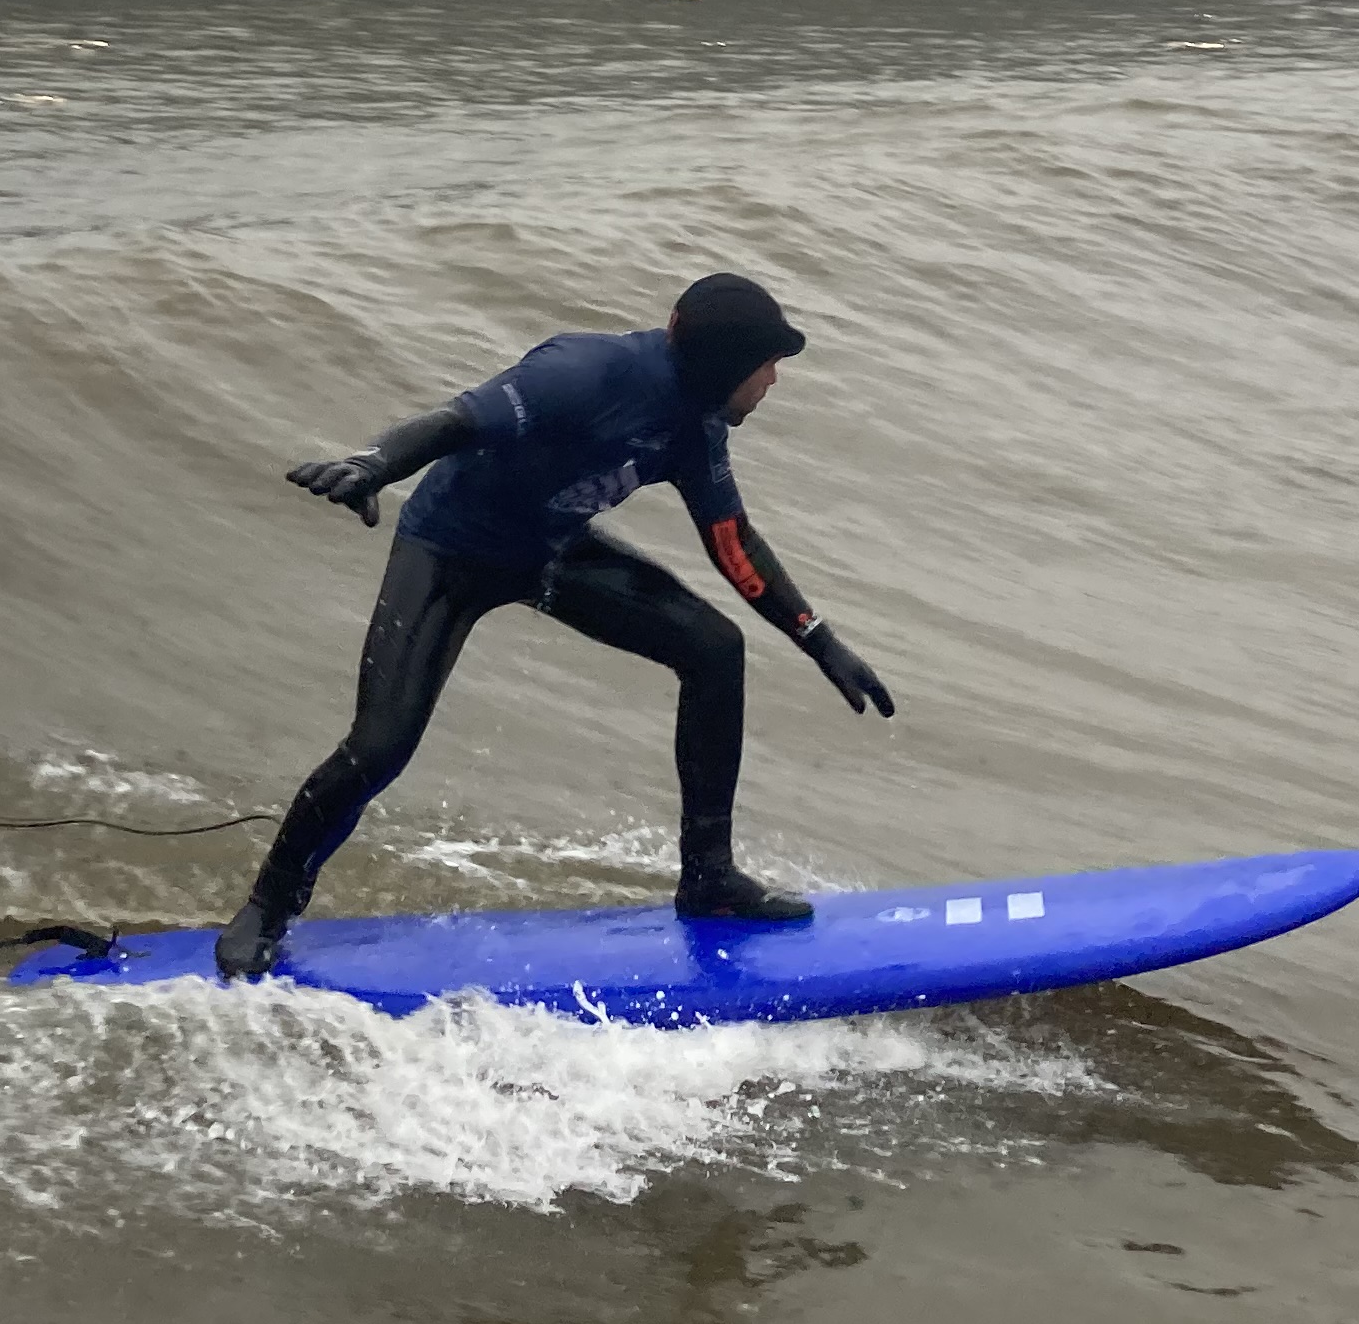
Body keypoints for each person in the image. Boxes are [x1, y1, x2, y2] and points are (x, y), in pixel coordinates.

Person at [215, 272, 897, 979]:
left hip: (548, 549)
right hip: (449, 550)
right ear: (725, 365)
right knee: (380, 745)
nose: (774, 381)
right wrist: (372, 465)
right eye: (768, 365)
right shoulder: (587, 372)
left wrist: (818, 640)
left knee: (715, 650)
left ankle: (708, 879)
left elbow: (732, 543)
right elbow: (458, 421)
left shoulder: (696, 425)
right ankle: (269, 906)